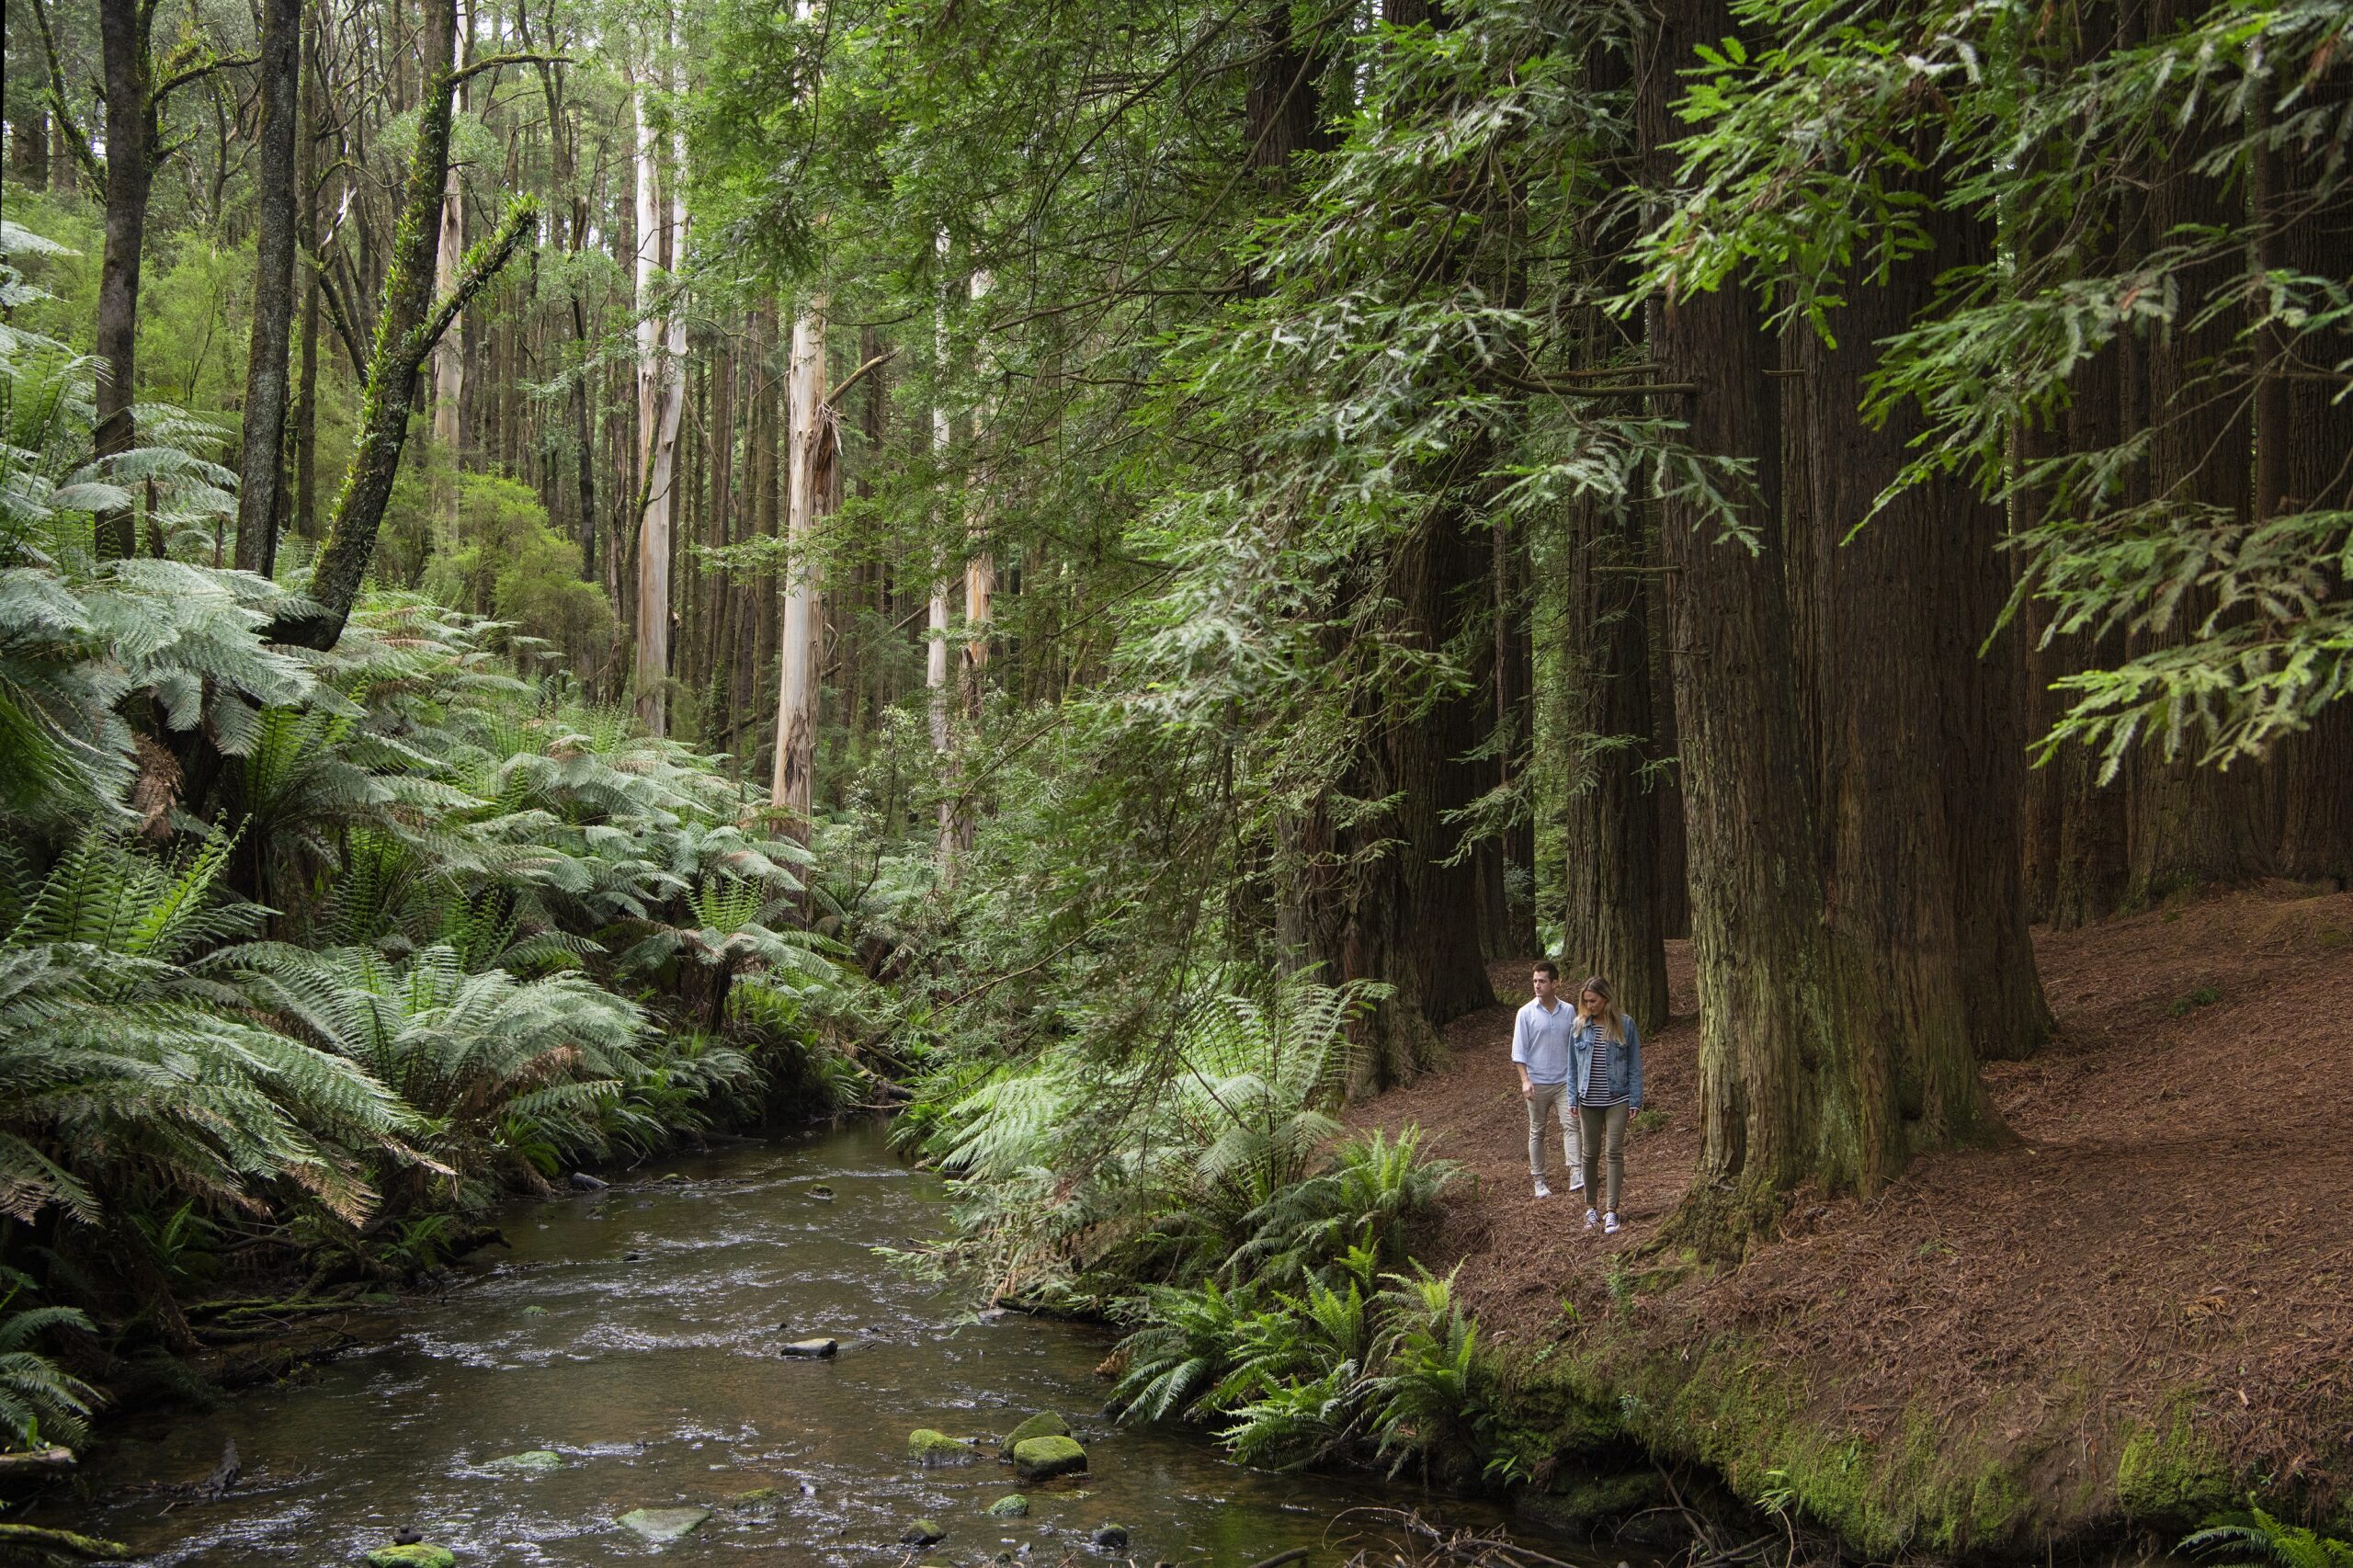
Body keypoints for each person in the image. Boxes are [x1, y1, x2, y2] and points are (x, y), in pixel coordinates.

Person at [1567, 975, 1643, 1234]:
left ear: (1606, 999)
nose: (1590, 1006)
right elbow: (1573, 1067)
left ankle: (1612, 1210)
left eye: (1594, 1001)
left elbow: (1634, 1066)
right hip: (1588, 1099)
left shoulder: (1625, 1025)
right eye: (1586, 1002)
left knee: (1614, 1152)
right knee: (1589, 1154)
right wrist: (1572, 1098)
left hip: (1617, 1099)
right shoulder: (1578, 1026)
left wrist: (1635, 1099)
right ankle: (1591, 1208)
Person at [1509, 960, 1582, 1199]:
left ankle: (1576, 1171)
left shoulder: (1569, 1010)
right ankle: (1539, 1179)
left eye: (1542, 981)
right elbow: (1519, 1052)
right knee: (1537, 1131)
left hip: (1564, 1081)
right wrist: (1525, 1080)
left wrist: (1577, 1077)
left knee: (1571, 1125)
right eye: (1535, 981)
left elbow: (1574, 1045)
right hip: (1537, 1083)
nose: (1537, 985)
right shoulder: (1525, 1013)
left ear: (1555, 983)